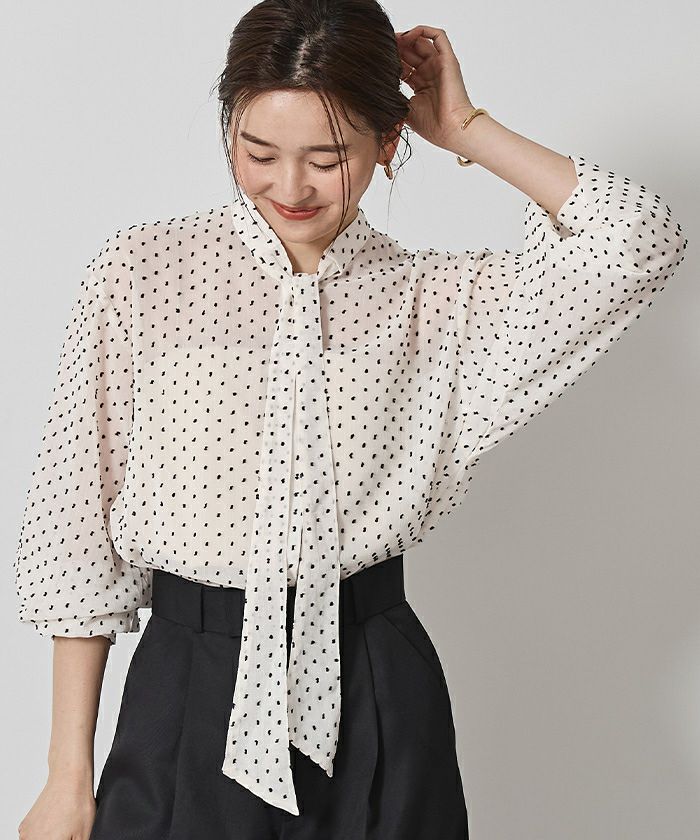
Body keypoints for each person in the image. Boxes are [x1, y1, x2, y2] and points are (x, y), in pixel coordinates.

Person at [14, 1, 687, 838]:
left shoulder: (438, 304)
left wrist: (466, 128)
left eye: (328, 158)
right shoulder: (143, 274)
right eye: (259, 153)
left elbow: (637, 239)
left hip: (376, 685)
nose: (290, 187)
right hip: (186, 689)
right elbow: (76, 535)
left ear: (389, 142)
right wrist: (66, 775)